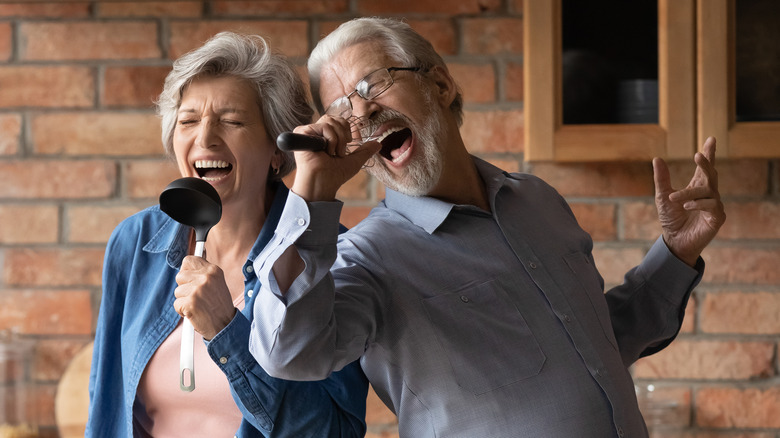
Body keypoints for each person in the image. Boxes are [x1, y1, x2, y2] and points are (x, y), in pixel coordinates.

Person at [247, 17, 726, 438]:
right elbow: (286, 351)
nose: (363, 112)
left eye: (372, 85)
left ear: (440, 84)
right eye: (341, 110)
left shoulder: (537, 201)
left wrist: (675, 254)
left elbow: (600, 344)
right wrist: (312, 194)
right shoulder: (365, 259)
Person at [86, 32, 368, 438]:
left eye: (232, 121)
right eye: (188, 121)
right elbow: (105, 402)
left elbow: (332, 433)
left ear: (276, 151)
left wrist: (224, 328)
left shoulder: (332, 257)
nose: (205, 138)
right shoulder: (135, 241)